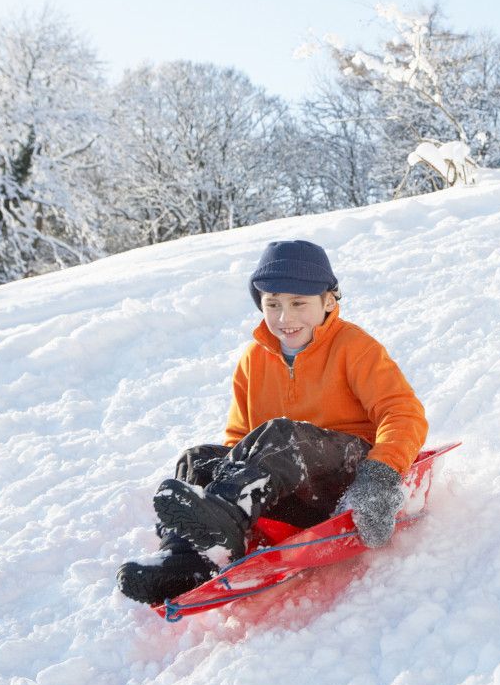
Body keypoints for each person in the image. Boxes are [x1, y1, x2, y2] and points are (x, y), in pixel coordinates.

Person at [117, 240, 429, 605]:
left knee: (280, 433)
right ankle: (186, 557)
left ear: (328, 301)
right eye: (273, 304)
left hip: (346, 474)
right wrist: (222, 471)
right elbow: (239, 437)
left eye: (299, 303)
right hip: (284, 489)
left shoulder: (355, 348)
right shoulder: (254, 359)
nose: (285, 318)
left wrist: (379, 476)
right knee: (198, 458)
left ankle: (225, 524)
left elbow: (402, 411)